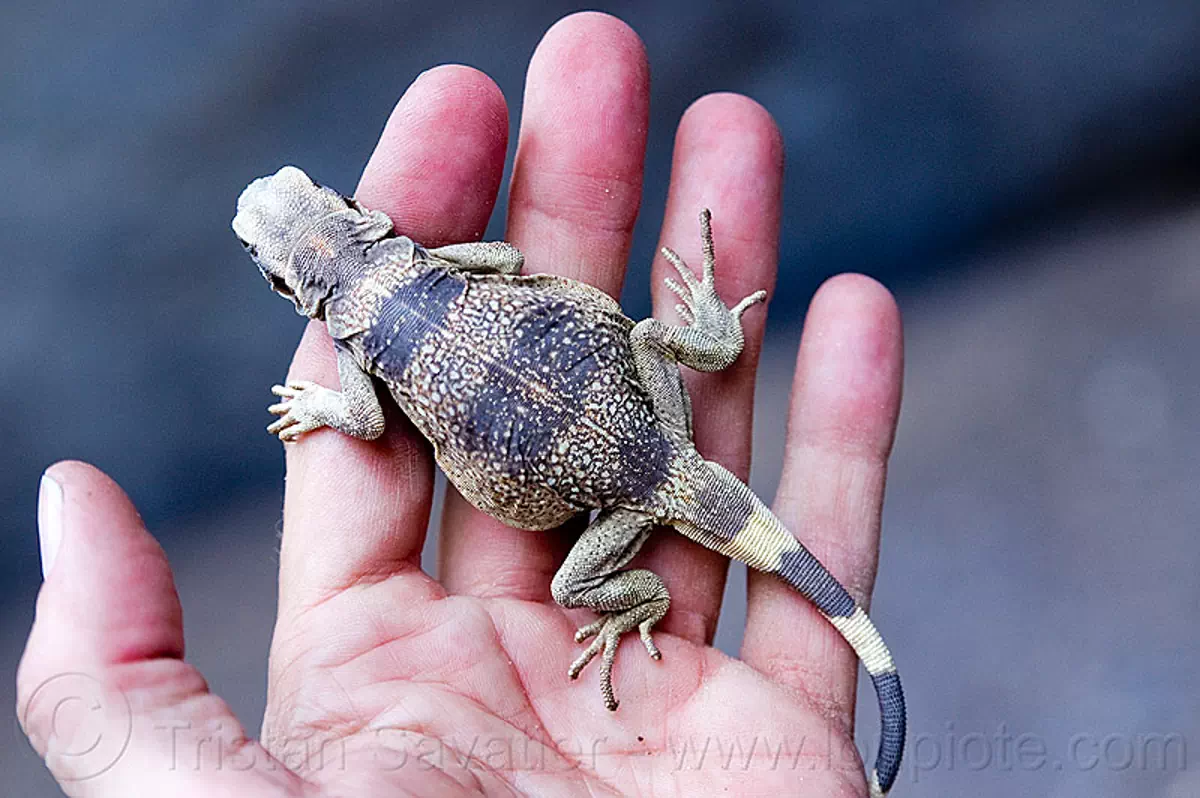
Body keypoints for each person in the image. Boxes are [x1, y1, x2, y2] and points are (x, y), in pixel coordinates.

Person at [18, 12, 904, 797]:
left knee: (569, 584)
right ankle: (712, 335)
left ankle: (637, 604)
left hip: (640, 476)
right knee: (644, 336)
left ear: (293, 286)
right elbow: (512, 266)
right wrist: (438, 269)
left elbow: (365, 422)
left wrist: (324, 405)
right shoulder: (421, 261)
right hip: (649, 429)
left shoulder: (360, 346)